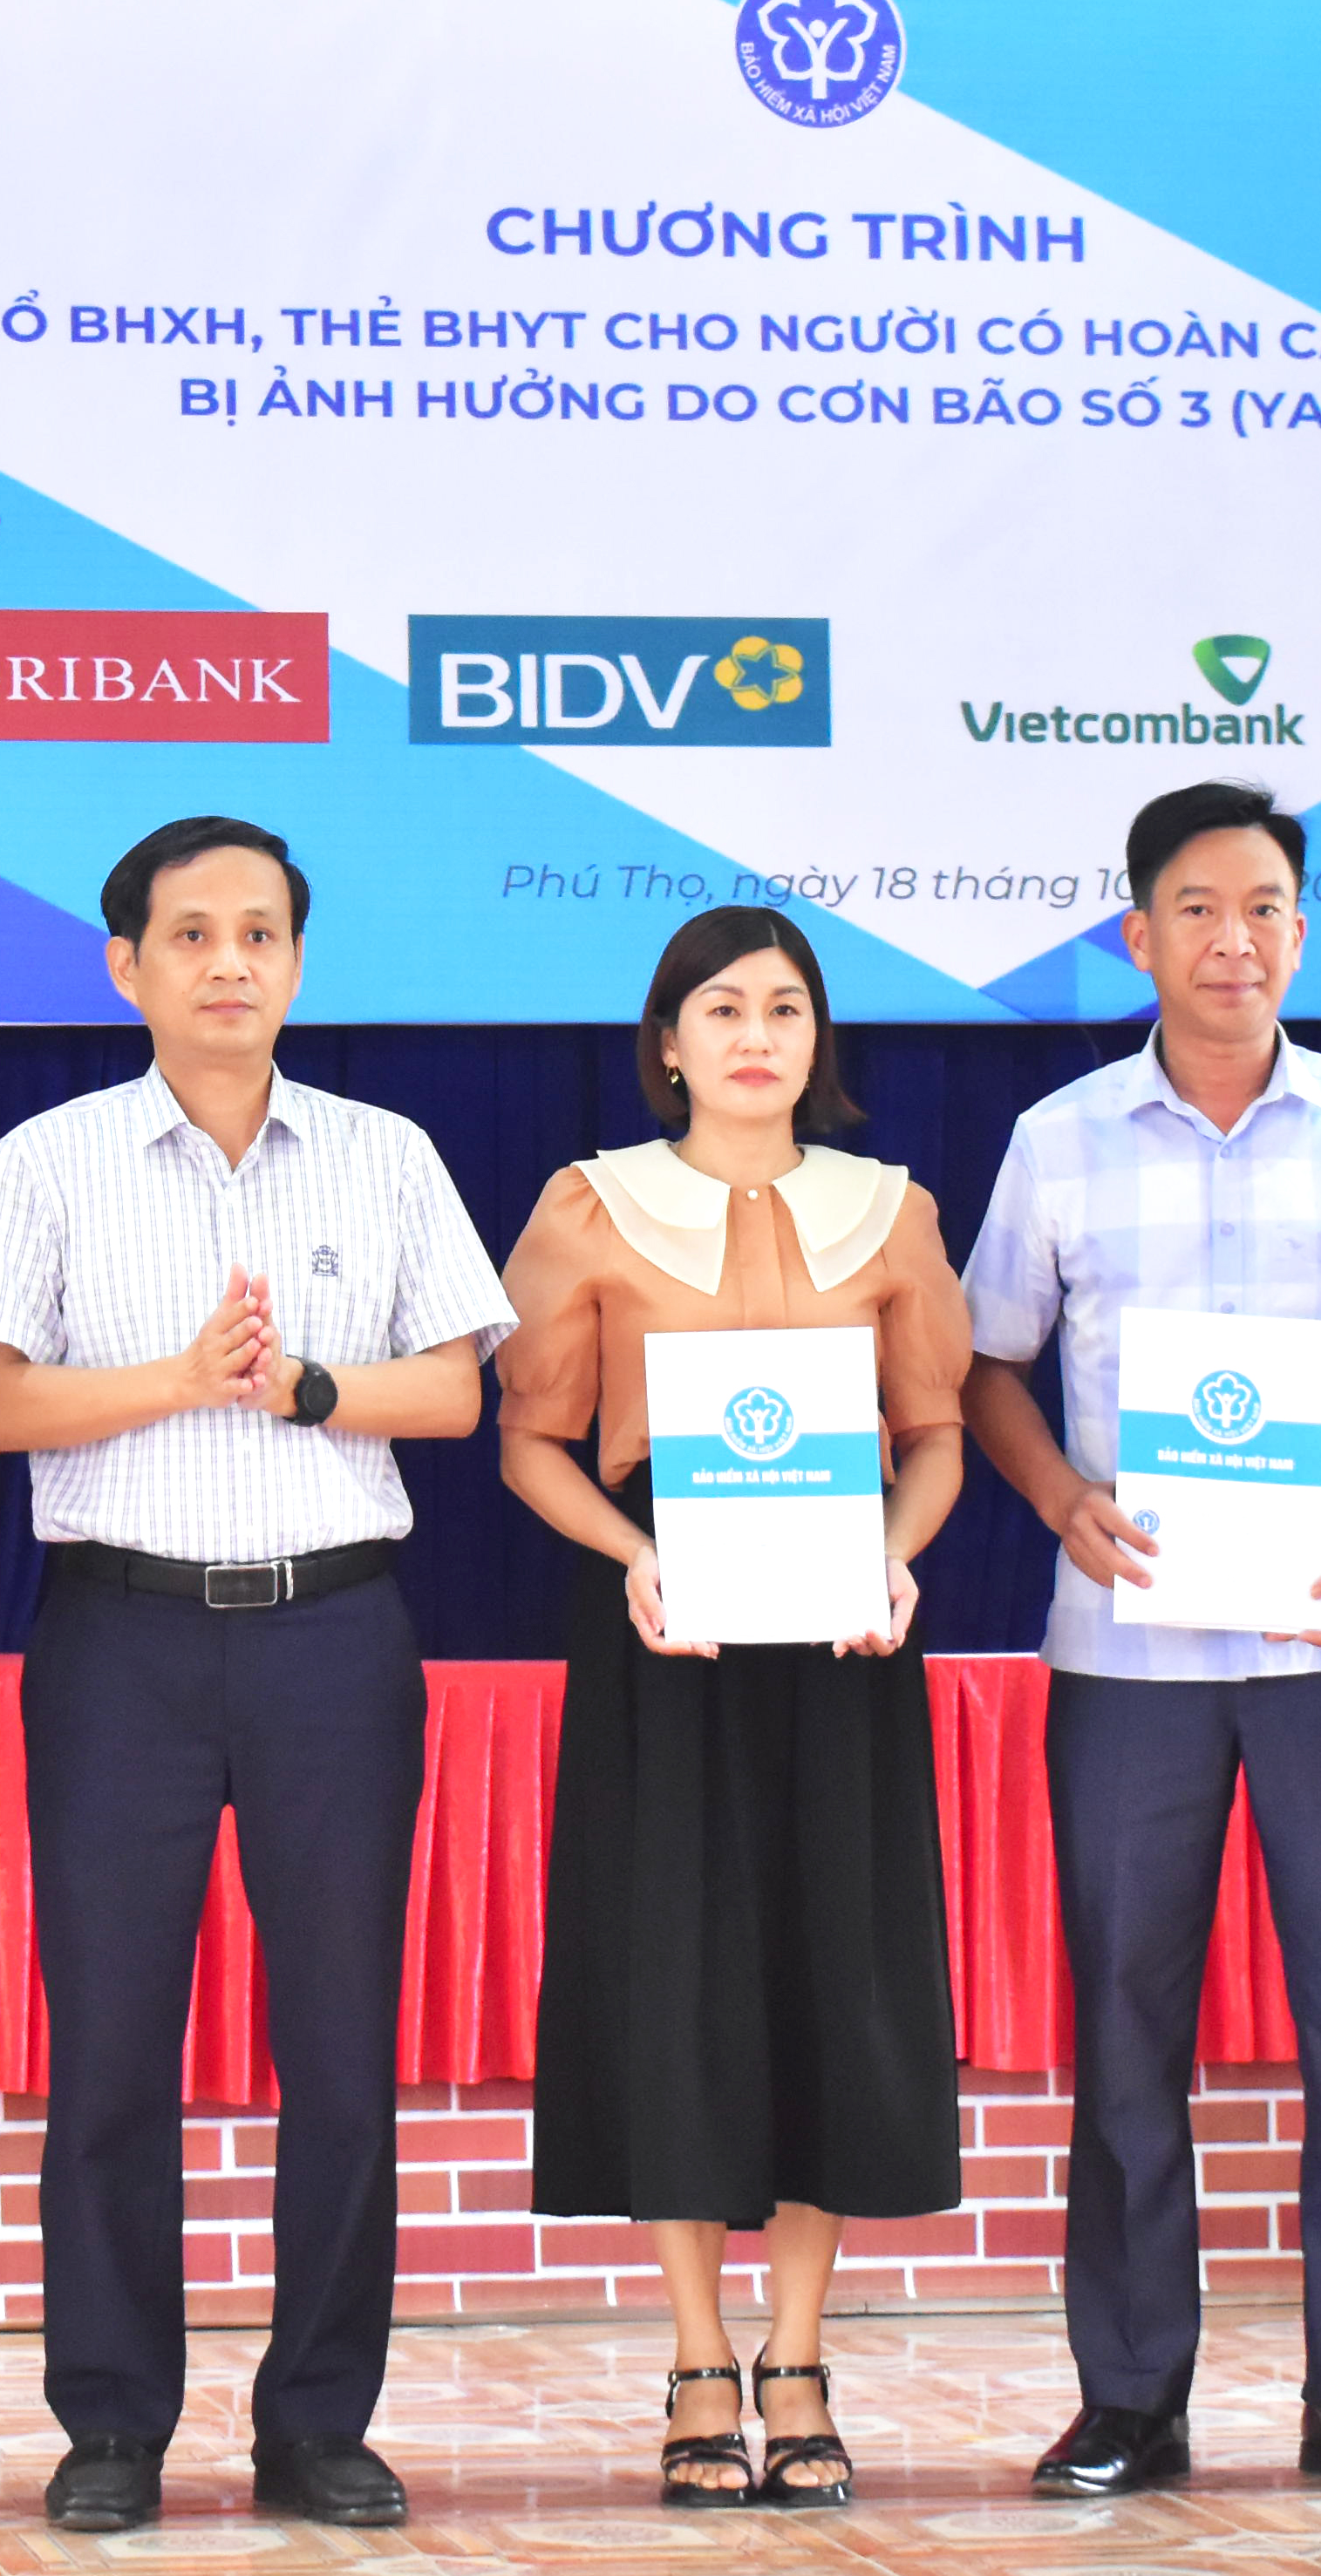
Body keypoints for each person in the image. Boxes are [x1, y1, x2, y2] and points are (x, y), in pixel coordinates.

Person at [957, 782, 1321, 2503]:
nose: (1234, 936)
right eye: (1197, 905)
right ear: (1137, 933)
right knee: (1128, 2024)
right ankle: (1131, 2392)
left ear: (1301, 926)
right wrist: (1058, 1496)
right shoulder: (1059, 1137)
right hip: (1131, 1649)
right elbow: (987, 1363)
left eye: (1265, 903)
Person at [0, 816, 514, 2533]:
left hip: (332, 1633)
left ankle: (318, 2417)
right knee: (113, 2044)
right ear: (124, 962)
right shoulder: (49, 1158)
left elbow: (456, 1392)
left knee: (341, 2042)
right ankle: (113, 2418)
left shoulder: (385, 1153)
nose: (228, 962)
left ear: (296, 958)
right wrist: (184, 1375)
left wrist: (309, 1390)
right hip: (119, 1633)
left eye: (259, 931)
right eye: (189, 932)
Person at [496, 906, 970, 2509]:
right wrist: (636, 1556)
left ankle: (802, 2353)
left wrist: (896, 1565)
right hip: (666, 1634)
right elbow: (533, 1444)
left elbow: (939, 1437)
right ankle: (700, 2356)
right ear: (670, 1040)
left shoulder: (893, 1214)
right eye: (723, 1007)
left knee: (834, 1971)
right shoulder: (587, 1210)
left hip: (844, 1640)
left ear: (816, 1039)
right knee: (678, 1983)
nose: (756, 1033)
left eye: (785, 1007)